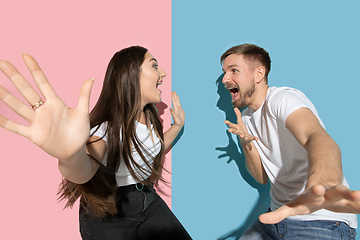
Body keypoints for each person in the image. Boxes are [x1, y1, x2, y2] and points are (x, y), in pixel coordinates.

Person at [0, 46, 192, 240]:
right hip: (108, 213)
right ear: (132, 75)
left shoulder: (150, 117)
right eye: (154, 66)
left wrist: (177, 126)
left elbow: (152, 148)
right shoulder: (106, 129)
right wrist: (70, 155)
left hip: (147, 200)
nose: (163, 73)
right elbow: (85, 168)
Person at [221, 43, 360, 240]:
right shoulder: (245, 117)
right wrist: (246, 142)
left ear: (259, 74)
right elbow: (261, 178)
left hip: (320, 220)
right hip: (277, 217)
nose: (225, 79)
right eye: (224, 72)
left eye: (233, 70)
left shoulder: (282, 99)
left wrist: (322, 185)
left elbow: (317, 136)